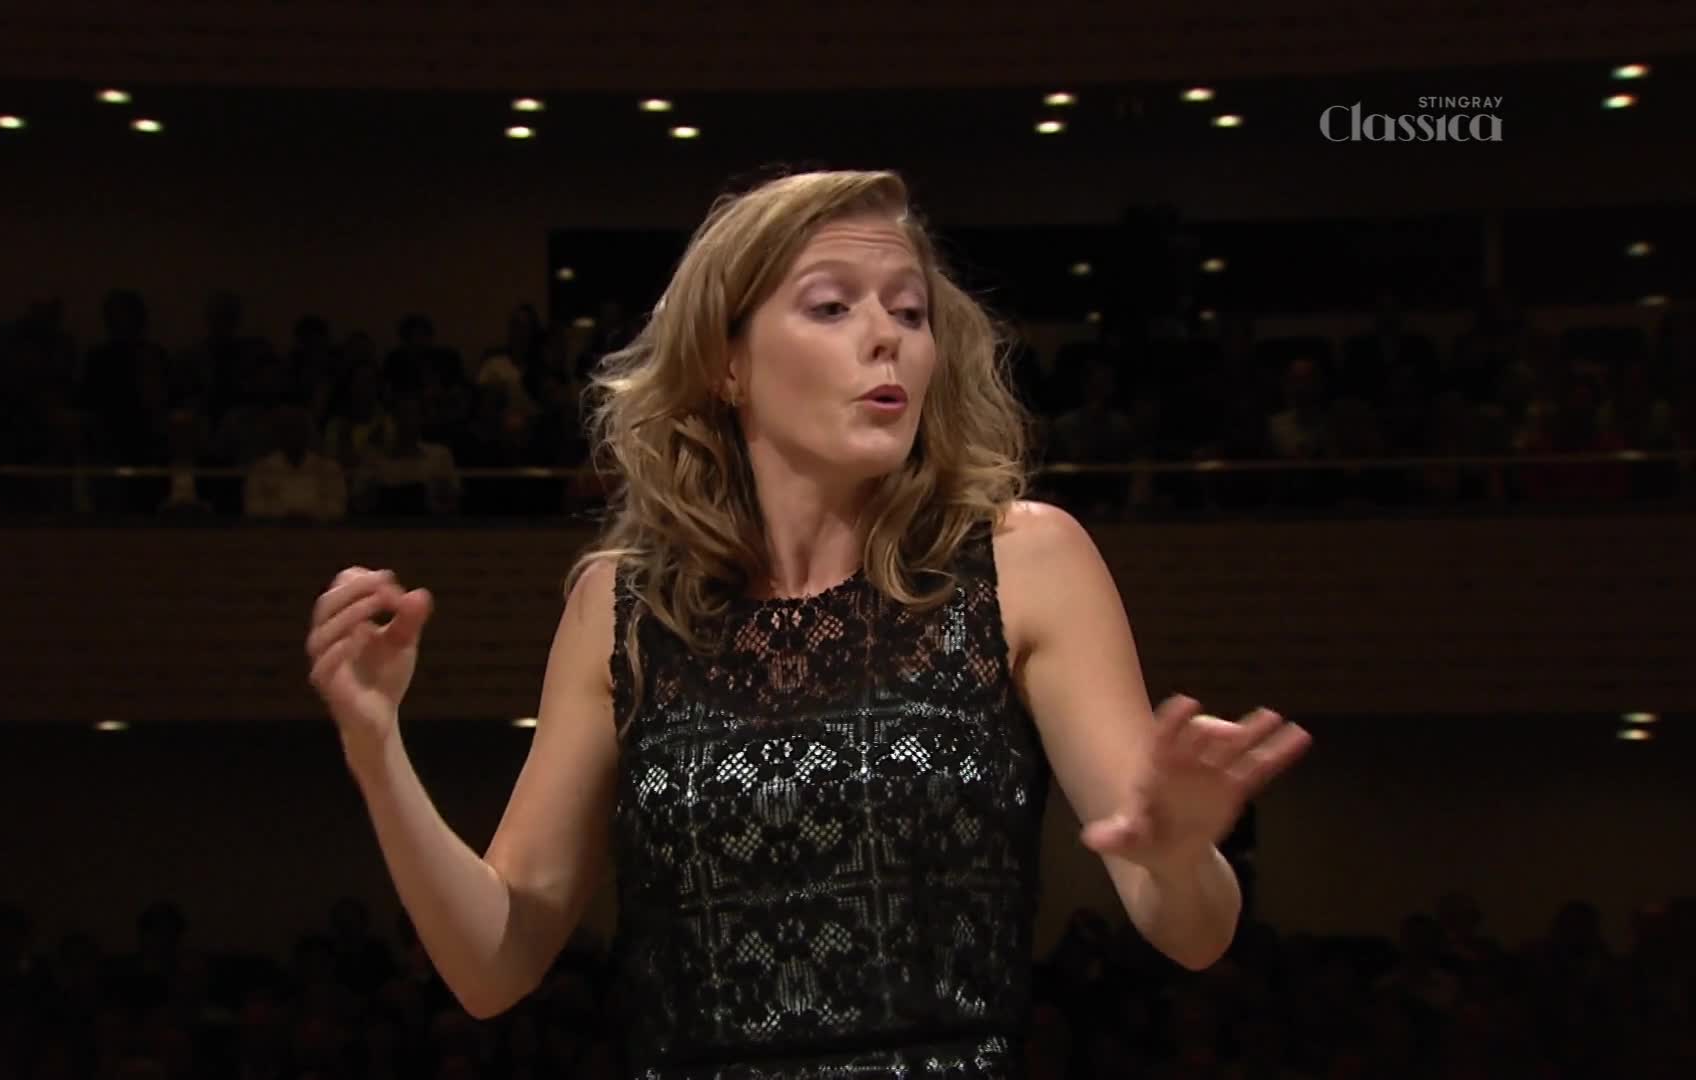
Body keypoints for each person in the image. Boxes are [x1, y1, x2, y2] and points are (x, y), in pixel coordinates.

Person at [304, 170, 1311, 1078]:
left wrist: (1180, 856)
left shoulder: (1025, 562)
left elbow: (1190, 932)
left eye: (909, 312)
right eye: (832, 306)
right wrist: (376, 747)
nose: (888, 336)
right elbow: (496, 963)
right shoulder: (622, 605)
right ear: (726, 366)